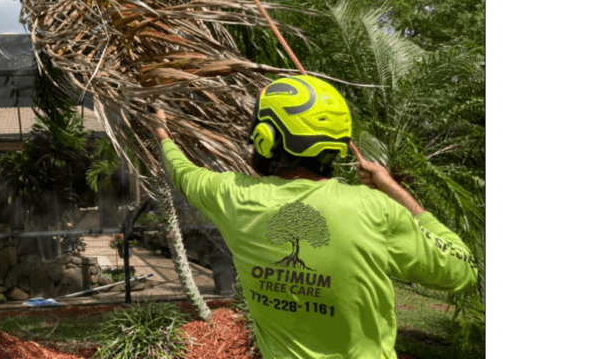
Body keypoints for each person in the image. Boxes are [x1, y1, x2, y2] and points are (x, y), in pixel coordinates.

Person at [151, 75, 479, 359]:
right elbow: (462, 271)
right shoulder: (374, 209)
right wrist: (397, 193)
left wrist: (163, 132)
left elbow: (183, 172)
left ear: (266, 140)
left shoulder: (232, 197)